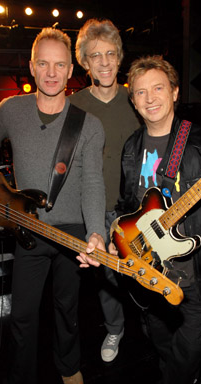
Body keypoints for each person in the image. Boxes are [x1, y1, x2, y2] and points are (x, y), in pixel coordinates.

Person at [91, 55, 201, 384]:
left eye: (158, 88)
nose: (150, 99)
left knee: (186, 354)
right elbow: (127, 207)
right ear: (133, 101)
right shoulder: (132, 147)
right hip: (150, 273)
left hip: (197, 275)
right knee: (159, 341)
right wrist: (120, 239)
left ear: (175, 92)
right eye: (141, 93)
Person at [0, 27, 106, 384]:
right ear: (32, 67)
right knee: (22, 315)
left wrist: (96, 231)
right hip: (27, 228)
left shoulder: (89, 126)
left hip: (71, 232)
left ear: (70, 71)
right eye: (44, 64)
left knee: (68, 308)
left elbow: (94, 183)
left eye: (59, 65)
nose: (51, 72)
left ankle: (68, 365)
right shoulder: (10, 110)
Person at [69, 18, 141, 363]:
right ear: (84, 61)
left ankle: (153, 328)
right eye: (95, 55)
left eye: (110, 53)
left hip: (137, 208)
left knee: (145, 271)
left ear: (120, 56)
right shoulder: (76, 105)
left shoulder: (136, 98)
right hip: (97, 208)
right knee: (106, 277)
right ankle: (115, 328)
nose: (104, 62)